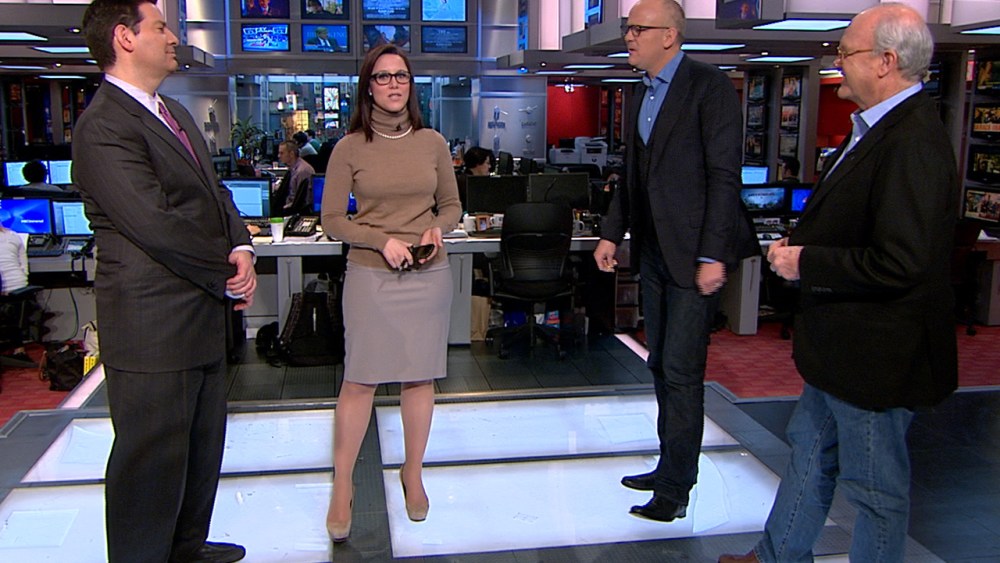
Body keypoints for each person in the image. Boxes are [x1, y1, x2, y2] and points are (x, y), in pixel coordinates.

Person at [719, 4, 959, 562]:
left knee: (875, 491)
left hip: (878, 359)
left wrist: (806, 262)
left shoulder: (913, 141)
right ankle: (778, 555)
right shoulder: (873, 130)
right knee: (809, 452)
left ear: (886, 61)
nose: (838, 61)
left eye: (846, 52)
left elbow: (901, 262)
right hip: (839, 351)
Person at [73, 1, 257, 562]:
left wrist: (242, 245)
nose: (174, 37)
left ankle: (185, 548)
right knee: (149, 468)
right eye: (160, 27)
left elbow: (214, 192)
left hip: (199, 321)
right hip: (152, 329)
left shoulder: (169, 110)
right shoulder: (104, 125)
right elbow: (155, 224)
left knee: (199, 455)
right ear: (125, 38)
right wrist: (224, 269)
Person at [593, 0, 756, 523]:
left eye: (638, 29)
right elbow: (632, 174)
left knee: (683, 371)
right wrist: (611, 233)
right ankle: (669, 466)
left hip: (692, 256)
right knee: (661, 364)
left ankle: (676, 489)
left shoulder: (709, 87)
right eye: (628, 28)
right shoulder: (641, 92)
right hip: (655, 253)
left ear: (670, 35)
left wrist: (713, 255)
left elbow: (724, 178)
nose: (629, 37)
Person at [320, 43, 461, 543]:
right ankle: (342, 485)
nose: (394, 84)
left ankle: (412, 472)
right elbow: (332, 220)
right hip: (371, 275)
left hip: (428, 274)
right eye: (383, 77)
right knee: (360, 380)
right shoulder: (349, 148)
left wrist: (437, 229)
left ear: (410, 84)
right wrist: (381, 240)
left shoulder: (433, 142)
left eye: (401, 75)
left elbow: (451, 206)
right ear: (368, 87)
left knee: (419, 377)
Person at [0, 223, 36, 367]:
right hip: (21, 288)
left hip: (9, 290)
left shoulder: (13, 237)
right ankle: (18, 348)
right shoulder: (15, 236)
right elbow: (24, 265)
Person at [275, 139, 315, 215]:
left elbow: (301, 200)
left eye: (282, 153)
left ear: (291, 154)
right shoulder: (292, 168)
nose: (279, 156)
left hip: (293, 211)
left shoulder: (302, 171)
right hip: (289, 207)